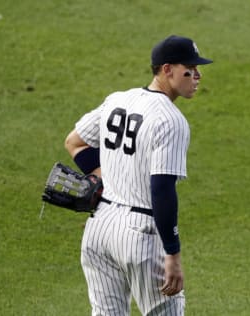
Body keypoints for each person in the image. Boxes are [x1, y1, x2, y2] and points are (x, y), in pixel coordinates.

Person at [64, 35, 212, 315]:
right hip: (140, 235)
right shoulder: (171, 120)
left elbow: (75, 141)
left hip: (98, 228)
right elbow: (162, 190)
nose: (197, 75)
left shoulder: (118, 99)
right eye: (189, 70)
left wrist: (106, 176)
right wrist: (173, 253)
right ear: (167, 70)